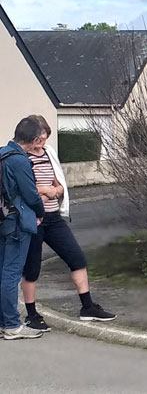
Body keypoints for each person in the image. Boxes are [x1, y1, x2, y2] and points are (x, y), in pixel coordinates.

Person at [20, 116, 115, 332]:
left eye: (44, 134)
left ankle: (87, 307)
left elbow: (60, 184)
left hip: (54, 218)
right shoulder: (21, 157)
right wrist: (45, 191)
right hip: (33, 220)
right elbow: (25, 189)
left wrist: (54, 190)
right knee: (32, 268)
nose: (42, 138)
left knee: (77, 258)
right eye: (39, 135)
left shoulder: (49, 153)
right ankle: (32, 314)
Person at [1, 116, 47, 340]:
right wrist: (40, 212)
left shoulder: (2, 153)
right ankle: (12, 325)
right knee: (11, 273)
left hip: (3, 219)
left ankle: (3, 322)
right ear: (36, 139)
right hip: (18, 221)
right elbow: (31, 194)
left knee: (2, 271)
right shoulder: (20, 160)